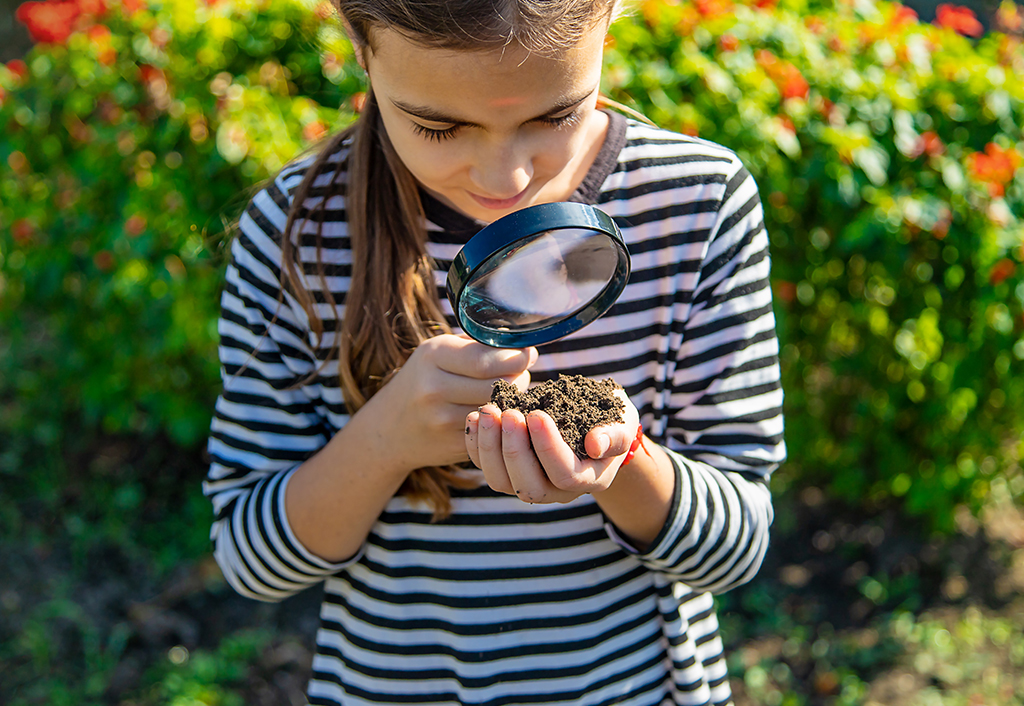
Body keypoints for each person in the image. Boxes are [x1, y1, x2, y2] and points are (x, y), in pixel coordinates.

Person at [203, 0, 786, 704]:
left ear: (612, 21)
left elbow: (739, 545)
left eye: (554, 116)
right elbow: (251, 561)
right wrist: (386, 440)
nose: (507, 180)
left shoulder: (696, 203)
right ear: (359, 39)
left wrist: (618, 457)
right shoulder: (296, 237)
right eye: (439, 127)